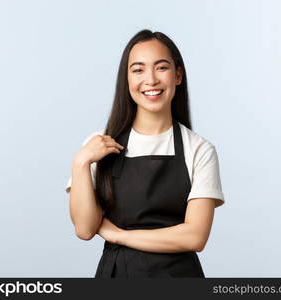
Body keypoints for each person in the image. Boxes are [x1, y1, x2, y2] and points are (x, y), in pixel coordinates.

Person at [65, 29, 225, 278]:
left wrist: (120, 235)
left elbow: (195, 236)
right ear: (126, 79)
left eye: (161, 67)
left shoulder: (200, 150)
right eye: (138, 70)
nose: (150, 79)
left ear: (178, 75)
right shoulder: (97, 146)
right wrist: (80, 162)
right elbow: (85, 229)